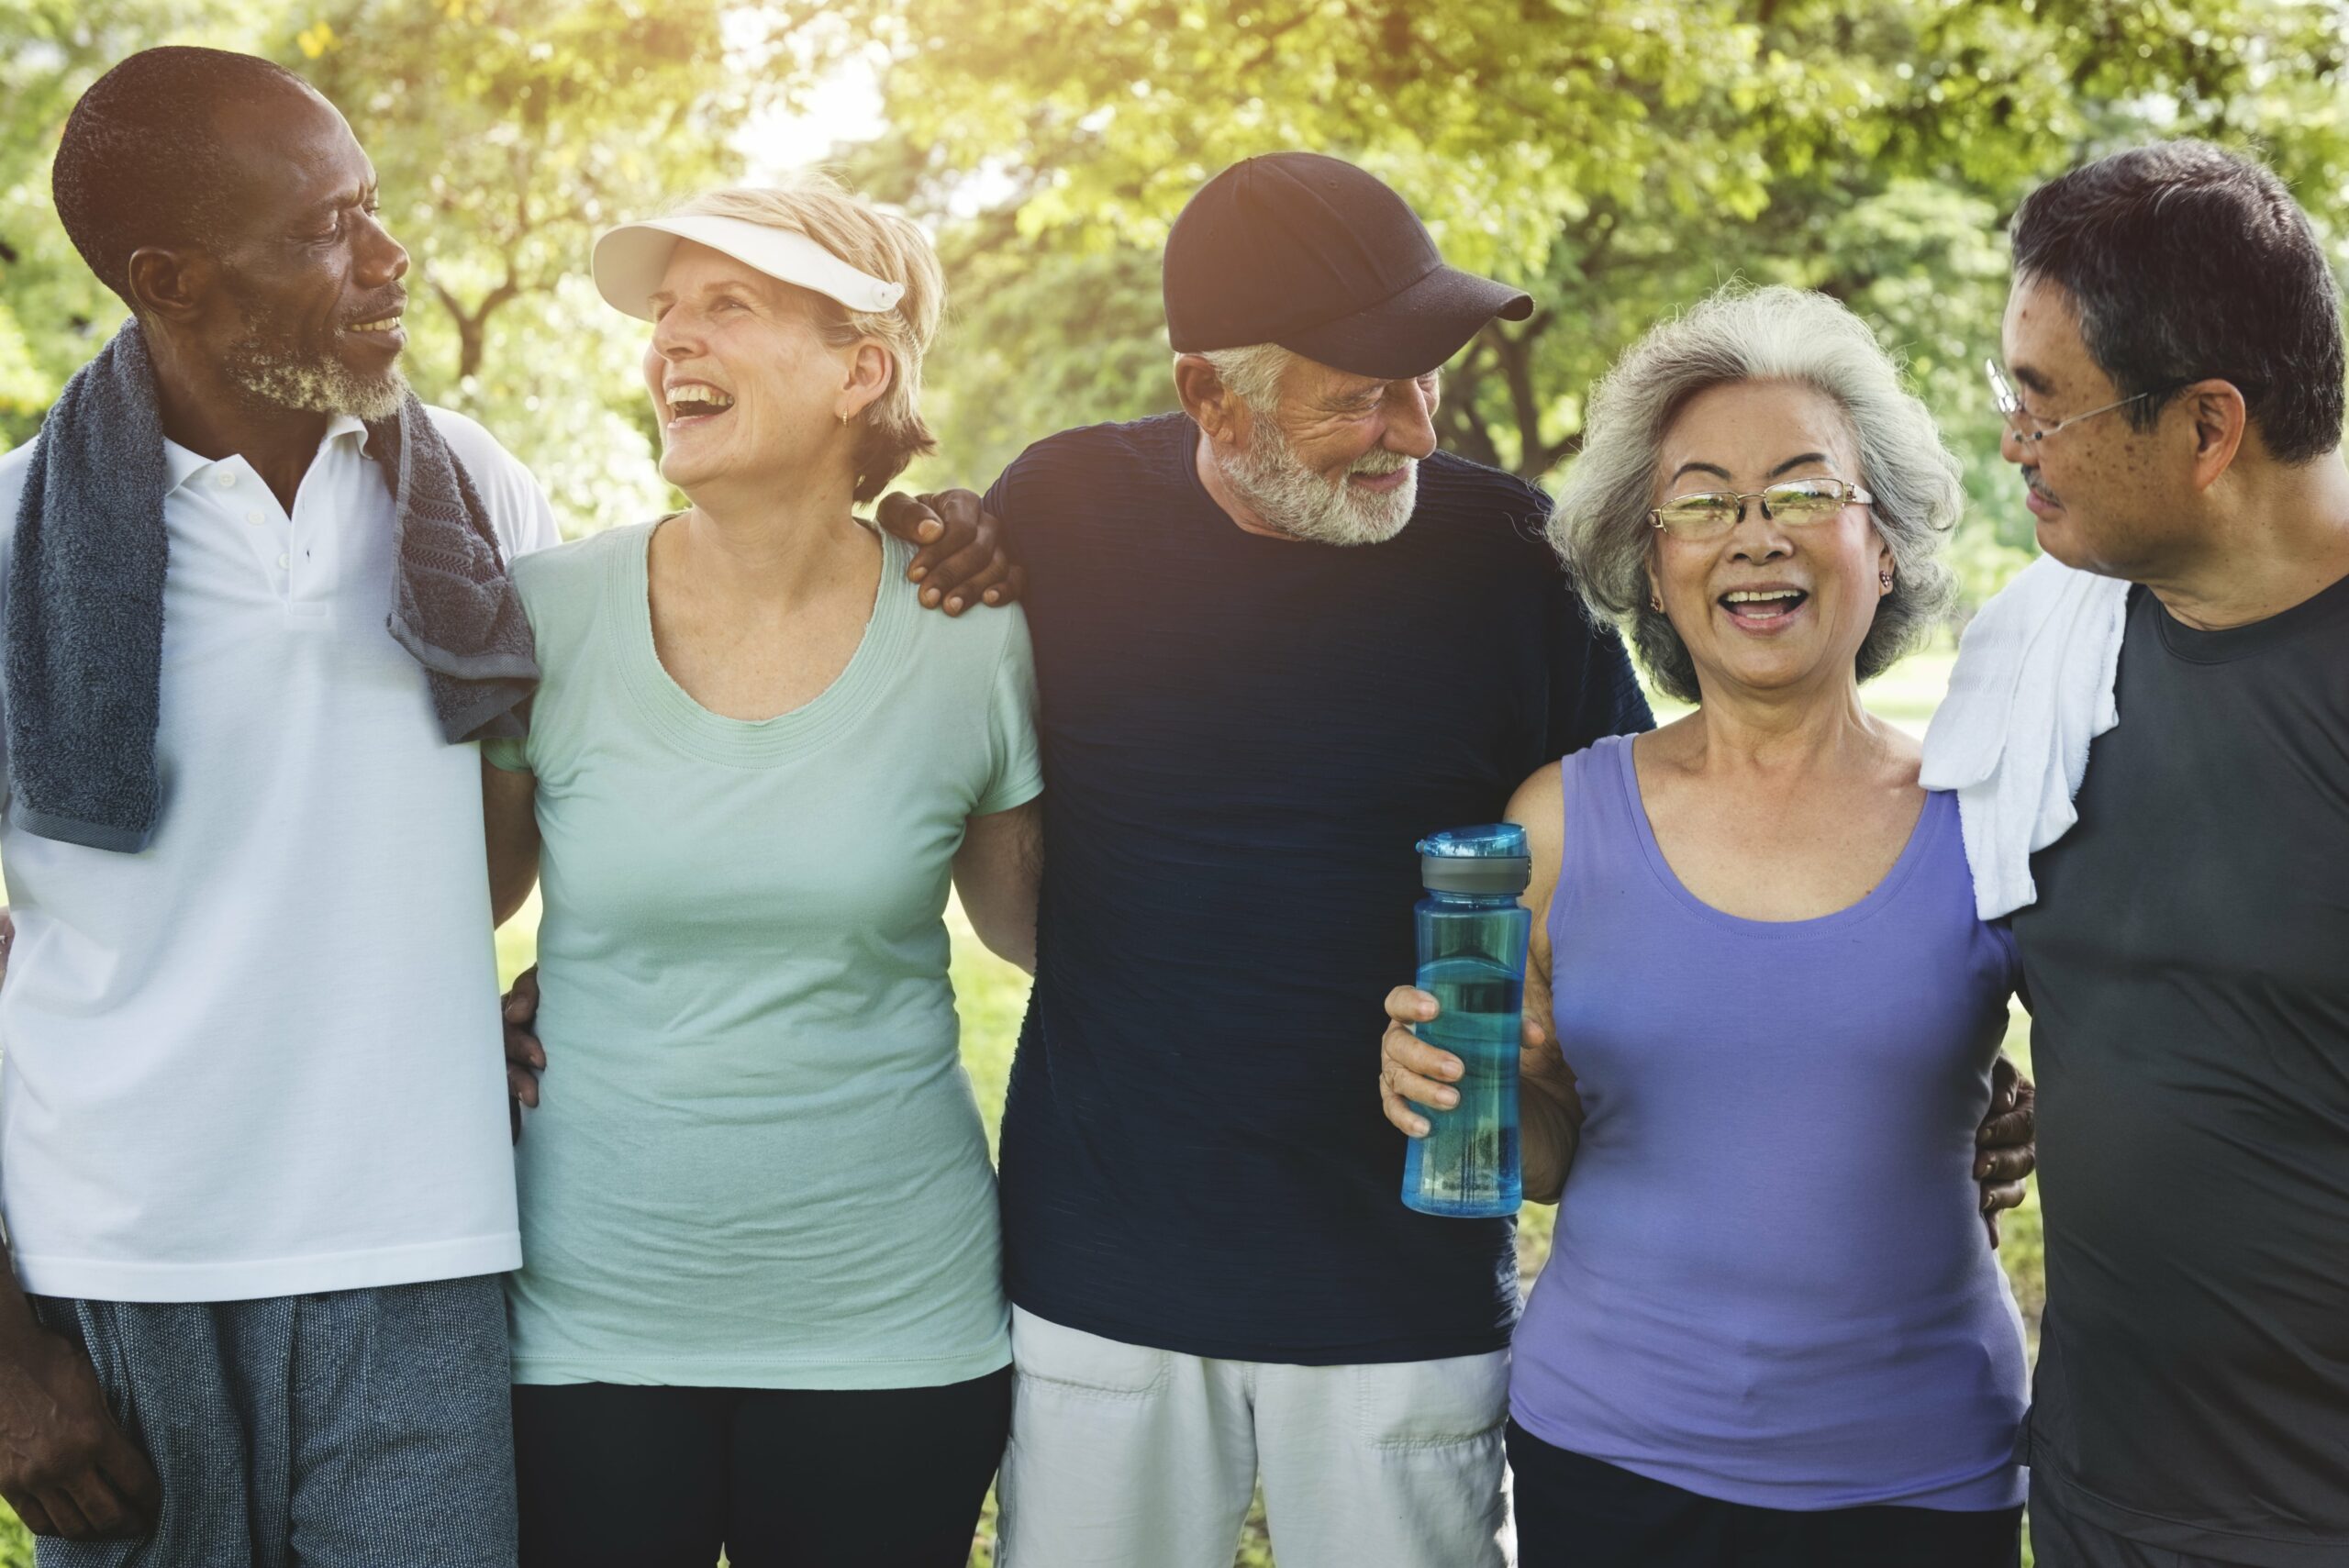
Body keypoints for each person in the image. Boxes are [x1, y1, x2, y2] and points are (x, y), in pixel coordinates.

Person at [852, 154, 2035, 1568]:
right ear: (1211, 400)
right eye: (1358, 388)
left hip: (1406, 1284)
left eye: (1426, 374)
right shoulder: (1064, 512)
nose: (1413, 425)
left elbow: (1661, 850)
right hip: (1109, 1260)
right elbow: (979, 783)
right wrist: (946, 537)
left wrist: (1889, 1061)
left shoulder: (1508, 558)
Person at [0, 50, 1011, 1568]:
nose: (391, 259)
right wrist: (10, 1352)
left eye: (378, 207)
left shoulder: (469, 495)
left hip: (433, 1255)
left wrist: (939, 524)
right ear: (175, 280)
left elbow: (597, 790)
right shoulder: (17, 536)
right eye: (328, 228)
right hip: (129, 1257)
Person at [1379, 285, 2032, 1567]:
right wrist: (1469, 1083)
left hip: (1922, 1468)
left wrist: (2023, 1111)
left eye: (1802, 491)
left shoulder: (1990, 818)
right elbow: (1554, 1147)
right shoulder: (1557, 823)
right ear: (1652, 564)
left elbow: (2121, 1055)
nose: (1753, 537)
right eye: (1702, 503)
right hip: (1613, 1460)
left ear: (1883, 542)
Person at [480, 178, 1041, 1568]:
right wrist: (454, 1032)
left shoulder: (974, 634)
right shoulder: (547, 614)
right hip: (590, 1313)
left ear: (862, 367)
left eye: (728, 305)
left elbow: (1040, 930)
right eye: (665, 312)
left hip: (891, 1318)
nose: (673, 340)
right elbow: (451, 907)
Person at [1980, 141, 2349, 1568]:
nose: (2015, 440)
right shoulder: (2044, 661)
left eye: (2045, 403)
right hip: (2094, 1495)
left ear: (2208, 428)